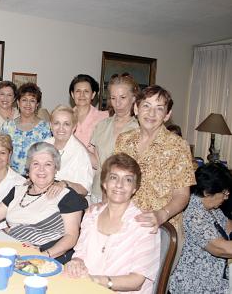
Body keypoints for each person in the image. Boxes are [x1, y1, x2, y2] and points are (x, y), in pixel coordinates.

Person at [0, 142, 87, 264]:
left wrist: (43, 256)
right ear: (29, 168)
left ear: (56, 169)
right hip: (12, 250)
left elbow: (71, 237)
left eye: (48, 164)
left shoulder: (66, 196)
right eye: (36, 164)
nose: (41, 170)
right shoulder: (18, 190)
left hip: (43, 258)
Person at [114, 85, 195, 258]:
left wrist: (161, 215)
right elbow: (114, 181)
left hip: (159, 231)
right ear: (136, 108)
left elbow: (182, 195)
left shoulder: (178, 146)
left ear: (167, 115)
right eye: (146, 106)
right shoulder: (123, 140)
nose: (151, 114)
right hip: (125, 225)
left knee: (152, 285)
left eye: (159, 109)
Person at [65, 153, 160, 293]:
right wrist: (77, 263)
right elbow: (80, 254)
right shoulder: (91, 215)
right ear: (104, 183)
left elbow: (136, 281)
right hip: (86, 287)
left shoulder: (143, 224)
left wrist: (95, 280)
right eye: (114, 178)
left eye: (128, 180)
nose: (119, 185)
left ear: (135, 188)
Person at [169, 163, 232, 294]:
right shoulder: (193, 214)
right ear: (207, 192)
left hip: (213, 282)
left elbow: (227, 224)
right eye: (224, 192)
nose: (227, 197)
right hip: (195, 286)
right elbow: (221, 249)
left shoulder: (210, 207)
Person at [88, 74, 139, 203]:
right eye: (113, 98)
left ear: (133, 98)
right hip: (99, 191)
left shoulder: (139, 128)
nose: (118, 103)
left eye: (123, 97)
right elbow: (97, 162)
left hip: (124, 194)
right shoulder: (102, 125)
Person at [0, 83, 52, 175]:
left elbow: (49, 157)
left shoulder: (46, 128)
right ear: (18, 103)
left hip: (38, 178)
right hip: (10, 178)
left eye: (32, 100)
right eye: (24, 100)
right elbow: (0, 154)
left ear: (37, 105)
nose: (28, 104)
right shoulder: (7, 127)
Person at [45, 105, 93, 197]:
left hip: (71, 202)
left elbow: (84, 189)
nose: (61, 128)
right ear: (50, 125)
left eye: (66, 124)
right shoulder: (44, 145)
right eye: (56, 123)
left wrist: (65, 184)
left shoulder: (80, 152)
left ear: (74, 127)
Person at [70, 74, 108, 147]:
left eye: (86, 91)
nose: (82, 95)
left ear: (93, 94)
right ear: (72, 94)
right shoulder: (65, 117)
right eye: (78, 91)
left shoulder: (104, 117)